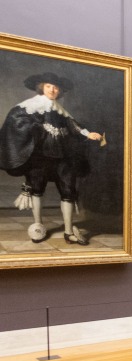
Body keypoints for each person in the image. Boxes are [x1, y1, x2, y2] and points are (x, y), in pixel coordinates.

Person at [0, 72, 104, 245]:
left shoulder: (60, 110)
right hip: (40, 156)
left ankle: (69, 231)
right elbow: (15, 123)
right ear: (41, 87)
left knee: (68, 190)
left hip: (62, 156)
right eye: (48, 86)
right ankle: (38, 226)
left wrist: (88, 134)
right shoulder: (29, 106)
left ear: (60, 90)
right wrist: (37, 128)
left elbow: (74, 126)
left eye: (56, 87)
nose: (52, 90)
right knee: (37, 189)